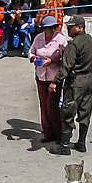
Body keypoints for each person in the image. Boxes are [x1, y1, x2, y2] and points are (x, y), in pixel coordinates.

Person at [57, 14, 92, 153]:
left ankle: (64, 146)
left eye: (71, 27)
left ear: (80, 27)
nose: (68, 29)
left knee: (68, 110)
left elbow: (66, 66)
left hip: (75, 82)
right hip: (88, 79)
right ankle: (81, 143)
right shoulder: (91, 41)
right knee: (85, 111)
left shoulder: (74, 44)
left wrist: (56, 82)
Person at [29, 13, 68, 147]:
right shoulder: (38, 38)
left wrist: (52, 61)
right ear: (44, 29)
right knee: (44, 105)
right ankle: (47, 133)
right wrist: (34, 59)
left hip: (54, 77)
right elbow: (31, 52)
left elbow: (66, 58)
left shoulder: (61, 40)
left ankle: (59, 133)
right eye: (50, 28)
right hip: (41, 76)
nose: (53, 30)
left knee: (52, 106)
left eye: (54, 27)